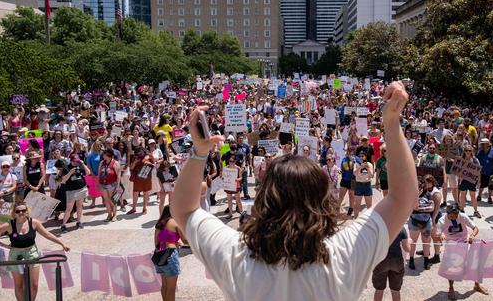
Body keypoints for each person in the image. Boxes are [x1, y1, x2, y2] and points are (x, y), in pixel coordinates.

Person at [170, 81, 418, 301]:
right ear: (322, 199)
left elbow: (184, 210)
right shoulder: (346, 251)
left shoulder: (235, 255)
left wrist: (199, 151)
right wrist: (392, 123)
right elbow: (402, 198)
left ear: (263, 198)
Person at [0, 202, 70, 301]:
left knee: (34, 284)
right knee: (19, 285)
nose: (21, 212)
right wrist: (4, 245)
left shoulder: (34, 222)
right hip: (15, 254)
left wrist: (62, 243)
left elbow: (47, 234)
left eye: (23, 210)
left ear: (27, 211)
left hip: (31, 252)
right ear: (14, 213)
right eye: (18, 211)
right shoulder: (9, 225)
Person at [432, 204, 489, 300]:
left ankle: (477, 285)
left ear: (458, 213)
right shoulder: (442, 220)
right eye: (451, 216)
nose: (453, 218)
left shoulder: (463, 216)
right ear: (447, 213)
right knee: (451, 268)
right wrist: (440, 236)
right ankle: (451, 288)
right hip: (451, 246)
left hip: (465, 243)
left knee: (474, 263)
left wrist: (472, 235)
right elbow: (435, 236)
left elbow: (476, 228)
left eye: (455, 215)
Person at [408, 175, 442, 271]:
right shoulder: (412, 194)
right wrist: (421, 204)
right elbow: (412, 207)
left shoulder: (429, 194)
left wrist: (420, 208)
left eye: (421, 185)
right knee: (413, 242)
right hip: (414, 222)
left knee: (426, 242)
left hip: (426, 223)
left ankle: (426, 261)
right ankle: (411, 260)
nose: (420, 187)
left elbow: (432, 207)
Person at [154, 205, 187, 301]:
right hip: (170, 256)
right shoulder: (175, 223)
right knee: (171, 288)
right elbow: (185, 241)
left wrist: (174, 242)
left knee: (164, 286)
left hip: (159, 255)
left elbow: (158, 243)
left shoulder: (160, 224)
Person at [372, 227, 409, 301]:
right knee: (395, 290)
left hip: (381, 260)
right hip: (396, 260)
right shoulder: (401, 228)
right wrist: (410, 243)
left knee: (379, 290)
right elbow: (407, 248)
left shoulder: (377, 227)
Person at [57, 155, 90, 232]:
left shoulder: (80, 166)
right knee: (69, 208)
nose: (77, 162)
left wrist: (83, 164)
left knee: (79, 206)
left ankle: (79, 222)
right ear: (71, 161)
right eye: (76, 161)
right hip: (71, 191)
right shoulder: (66, 168)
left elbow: (88, 173)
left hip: (81, 188)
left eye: (78, 161)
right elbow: (62, 180)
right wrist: (70, 173)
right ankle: (63, 225)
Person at [458, 145, 481, 217]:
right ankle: (462, 209)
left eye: (469, 150)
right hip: (463, 180)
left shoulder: (475, 160)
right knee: (462, 195)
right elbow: (457, 169)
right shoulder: (461, 159)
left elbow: (478, 171)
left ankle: (476, 211)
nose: (468, 152)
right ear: (464, 151)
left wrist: (479, 181)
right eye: (466, 150)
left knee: (473, 196)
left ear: (472, 151)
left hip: (472, 180)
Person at [98, 148, 121, 221]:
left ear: (108, 155)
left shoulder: (115, 163)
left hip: (112, 184)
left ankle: (115, 215)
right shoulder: (102, 162)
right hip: (103, 184)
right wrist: (98, 183)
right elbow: (99, 173)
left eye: (104, 154)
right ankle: (109, 214)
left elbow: (118, 175)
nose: (103, 156)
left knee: (112, 200)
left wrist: (117, 186)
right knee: (106, 200)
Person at [476, 138, 493, 204]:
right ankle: (479, 195)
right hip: (482, 172)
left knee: (491, 185)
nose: (482, 145)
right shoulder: (480, 151)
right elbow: (477, 160)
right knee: (481, 185)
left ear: (487, 144)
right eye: (482, 144)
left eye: (483, 143)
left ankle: (489, 197)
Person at [353, 151, 374, 218]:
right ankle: (355, 218)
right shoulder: (356, 164)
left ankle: (369, 221)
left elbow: (371, 175)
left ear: (365, 157)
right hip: (359, 184)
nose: (361, 158)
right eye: (360, 156)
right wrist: (360, 167)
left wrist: (367, 167)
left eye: (363, 156)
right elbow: (354, 173)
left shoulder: (369, 164)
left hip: (367, 184)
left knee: (369, 205)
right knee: (357, 205)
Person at [339, 146, 359, 216]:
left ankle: (351, 209)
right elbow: (342, 168)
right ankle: (337, 208)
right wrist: (340, 171)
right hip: (344, 179)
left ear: (354, 151)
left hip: (353, 180)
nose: (349, 152)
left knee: (351, 195)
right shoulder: (344, 159)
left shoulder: (356, 159)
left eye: (351, 151)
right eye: (348, 151)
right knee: (341, 195)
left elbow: (358, 169)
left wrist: (354, 162)